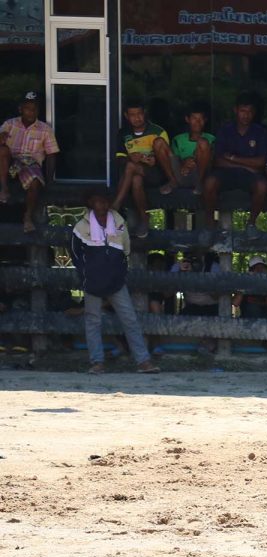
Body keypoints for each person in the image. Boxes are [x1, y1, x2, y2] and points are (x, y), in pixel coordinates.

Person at [68, 189, 159, 375]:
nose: (102, 205)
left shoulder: (119, 222)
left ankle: (143, 361)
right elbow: (75, 254)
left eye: (104, 201)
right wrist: (86, 273)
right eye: (97, 201)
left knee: (130, 319)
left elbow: (126, 249)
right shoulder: (80, 227)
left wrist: (119, 271)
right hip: (92, 281)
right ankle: (97, 362)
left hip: (116, 280)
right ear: (91, 203)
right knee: (93, 321)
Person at [203, 94, 267, 233]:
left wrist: (233, 158)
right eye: (242, 111)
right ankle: (209, 224)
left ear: (254, 113)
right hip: (226, 173)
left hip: (249, 176)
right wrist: (245, 165)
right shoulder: (225, 130)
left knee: (262, 186)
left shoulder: (261, 132)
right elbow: (217, 160)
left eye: (249, 112)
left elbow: (261, 162)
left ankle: (251, 224)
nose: (246, 115)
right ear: (235, 110)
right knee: (209, 182)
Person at [112, 99, 177, 238]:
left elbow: (167, 156)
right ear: (126, 116)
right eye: (132, 115)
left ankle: (116, 205)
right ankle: (144, 219)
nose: (137, 118)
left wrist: (155, 160)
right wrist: (132, 158)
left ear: (145, 113)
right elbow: (119, 159)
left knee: (132, 167)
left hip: (157, 174)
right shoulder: (123, 134)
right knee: (135, 178)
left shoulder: (158, 131)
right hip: (137, 174)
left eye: (139, 114)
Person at [0, 91, 60, 233]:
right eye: (27, 108)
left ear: (38, 110)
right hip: (10, 163)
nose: (30, 112)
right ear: (21, 109)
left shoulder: (45, 129)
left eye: (34, 109)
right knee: (2, 151)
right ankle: (3, 188)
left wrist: (49, 179)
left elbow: (51, 154)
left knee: (35, 181)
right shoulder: (10, 124)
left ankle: (27, 216)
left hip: (30, 163)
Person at [169, 104, 214, 196]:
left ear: (205, 120)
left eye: (201, 119)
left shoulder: (211, 139)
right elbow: (174, 160)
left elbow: (212, 161)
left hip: (202, 175)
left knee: (203, 143)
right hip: (182, 174)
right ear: (187, 119)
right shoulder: (178, 139)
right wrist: (184, 162)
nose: (198, 122)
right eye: (194, 118)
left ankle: (199, 183)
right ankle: (172, 182)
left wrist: (193, 161)